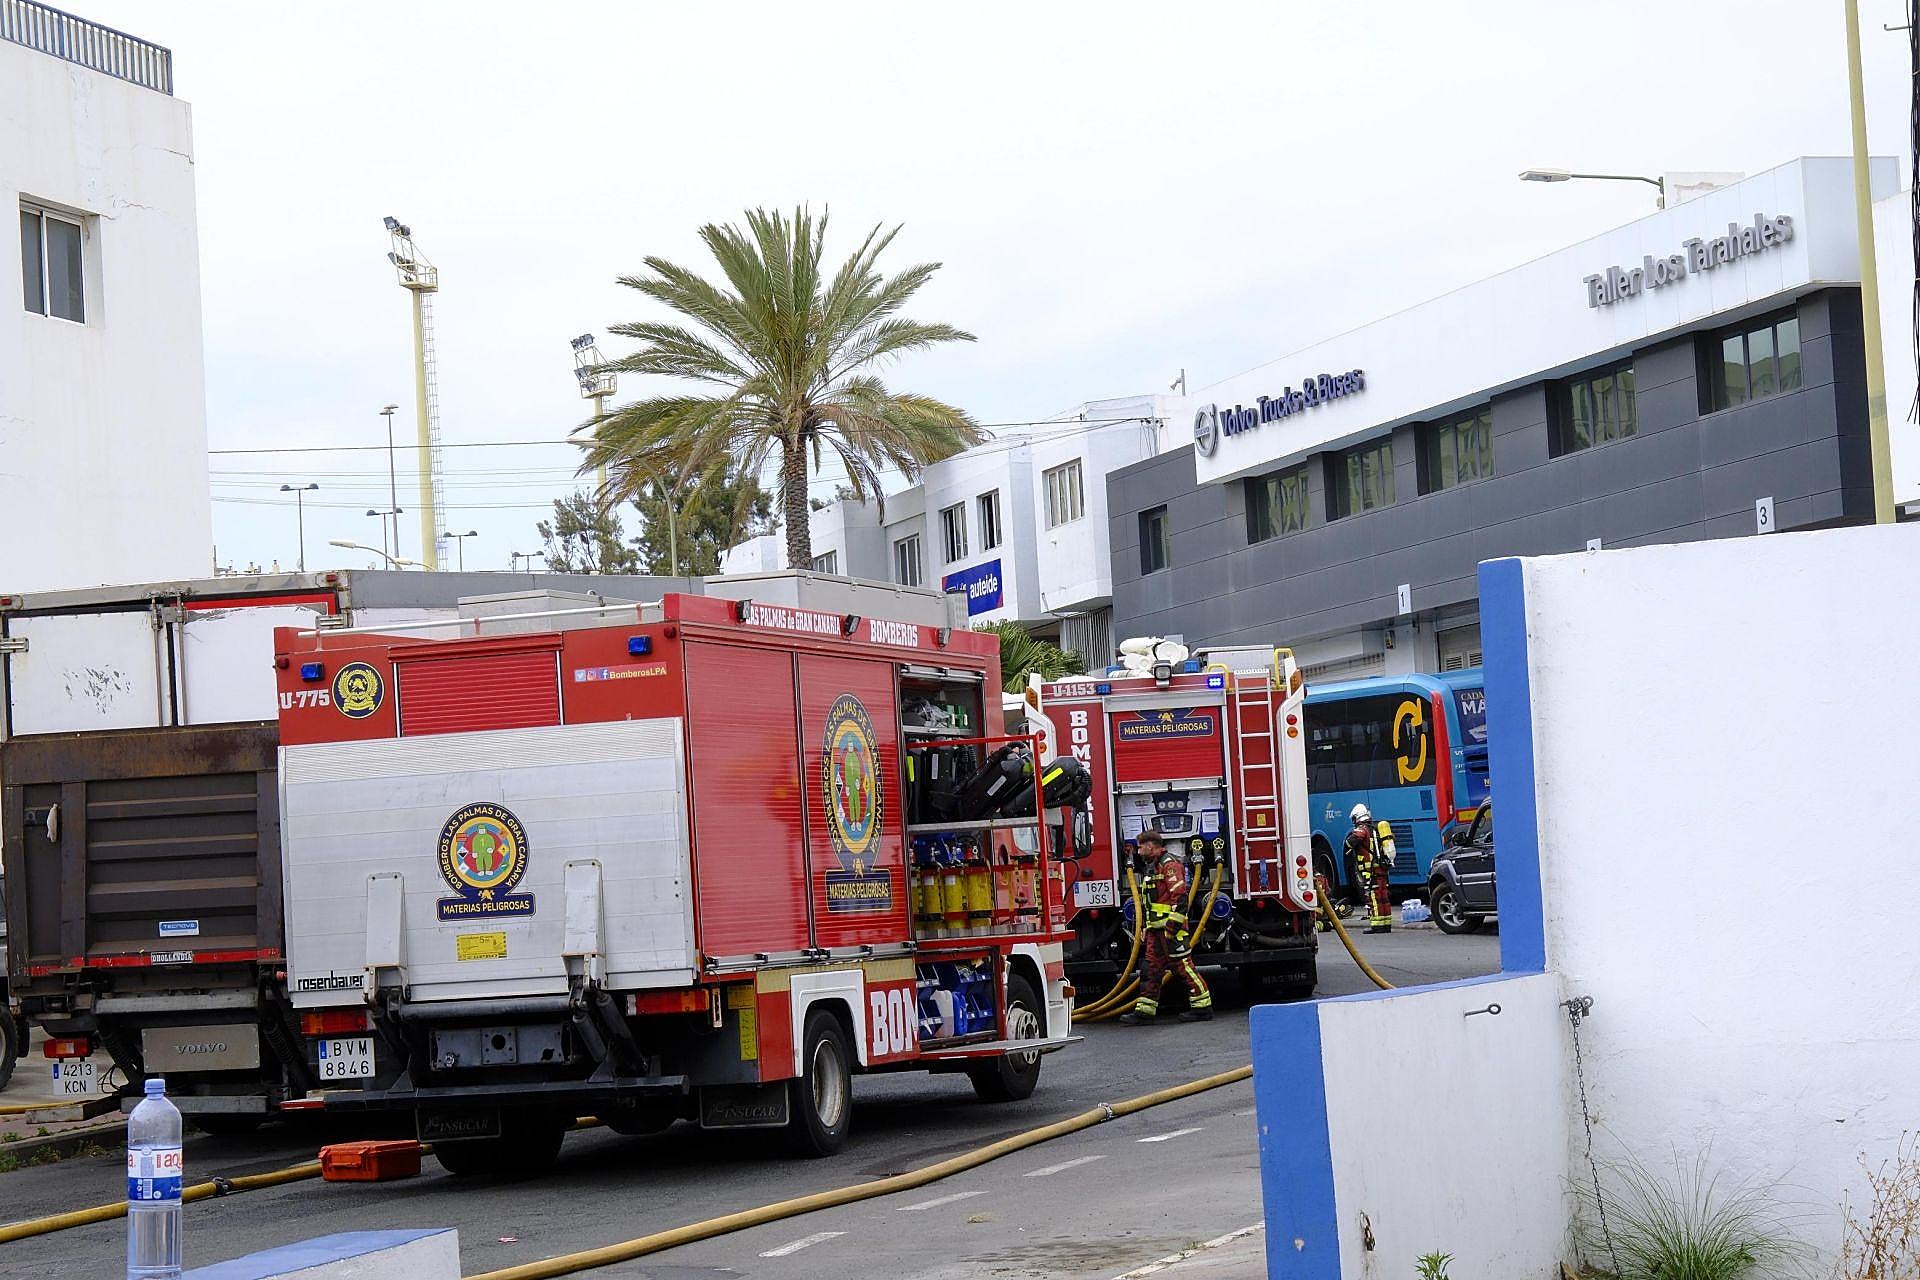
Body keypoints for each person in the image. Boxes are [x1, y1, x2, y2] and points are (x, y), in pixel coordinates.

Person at [1119, 826, 1213, 1025]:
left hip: (1171, 931)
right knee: (1150, 970)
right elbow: (1151, 902)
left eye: (1140, 847)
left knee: (1183, 967)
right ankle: (1144, 1013)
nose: (1138, 851)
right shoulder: (1152, 867)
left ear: (1151, 846)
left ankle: (1202, 1008)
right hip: (1156, 932)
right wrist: (1146, 927)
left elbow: (1180, 899)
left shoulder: (1169, 866)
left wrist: (1172, 928)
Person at [1346, 803, 1393, 934]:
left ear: (1357, 817)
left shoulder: (1362, 830)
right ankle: (1386, 924)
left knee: (1374, 897)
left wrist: (1351, 841)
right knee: (1383, 896)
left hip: (1371, 871)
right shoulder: (1376, 828)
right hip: (1382, 868)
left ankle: (1377, 925)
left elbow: (1351, 842)